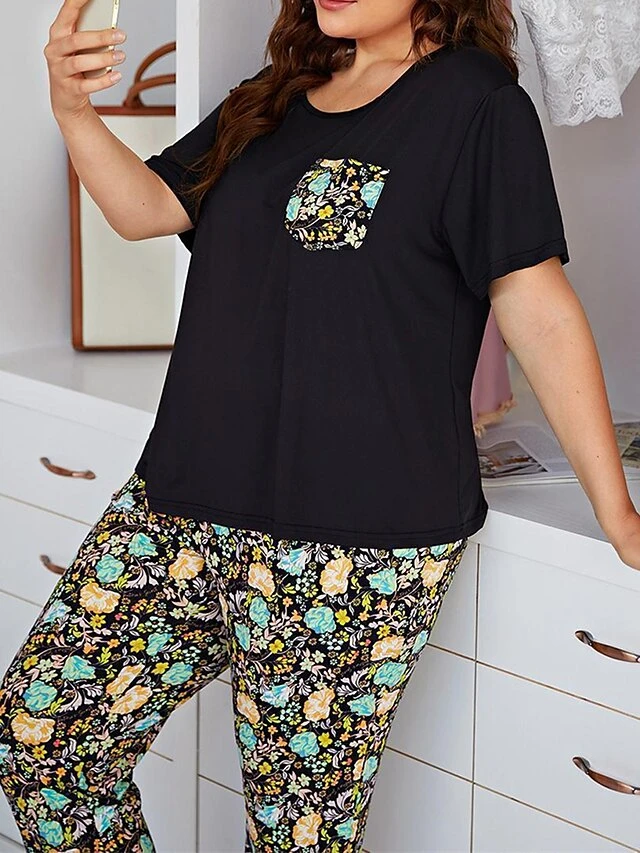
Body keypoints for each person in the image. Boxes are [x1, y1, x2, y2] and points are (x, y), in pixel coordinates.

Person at [2, 0, 640, 850]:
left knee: (294, 834)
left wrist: (617, 513)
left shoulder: (476, 104)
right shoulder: (280, 91)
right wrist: (74, 110)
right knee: (43, 739)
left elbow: (540, 312)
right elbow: (147, 206)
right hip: (181, 503)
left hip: (348, 546)